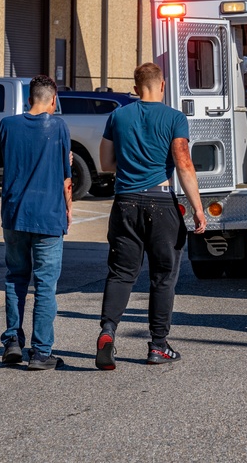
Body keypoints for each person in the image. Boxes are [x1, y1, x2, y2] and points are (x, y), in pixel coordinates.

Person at [96, 63, 206, 369]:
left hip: (125, 202)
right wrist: (197, 208)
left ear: (134, 88)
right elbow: (183, 162)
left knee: (121, 273)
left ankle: (107, 332)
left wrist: (131, 164)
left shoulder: (117, 116)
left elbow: (106, 163)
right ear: (163, 85)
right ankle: (158, 346)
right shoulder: (174, 117)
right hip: (161, 201)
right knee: (162, 277)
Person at [0, 75, 72, 371]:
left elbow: (7, 162)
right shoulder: (59, 126)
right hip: (48, 216)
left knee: (15, 277)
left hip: (15, 214)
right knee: (45, 284)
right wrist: (68, 209)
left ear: (29, 99)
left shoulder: (7, 125)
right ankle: (40, 352)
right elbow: (67, 177)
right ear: (53, 100)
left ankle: (12, 341)